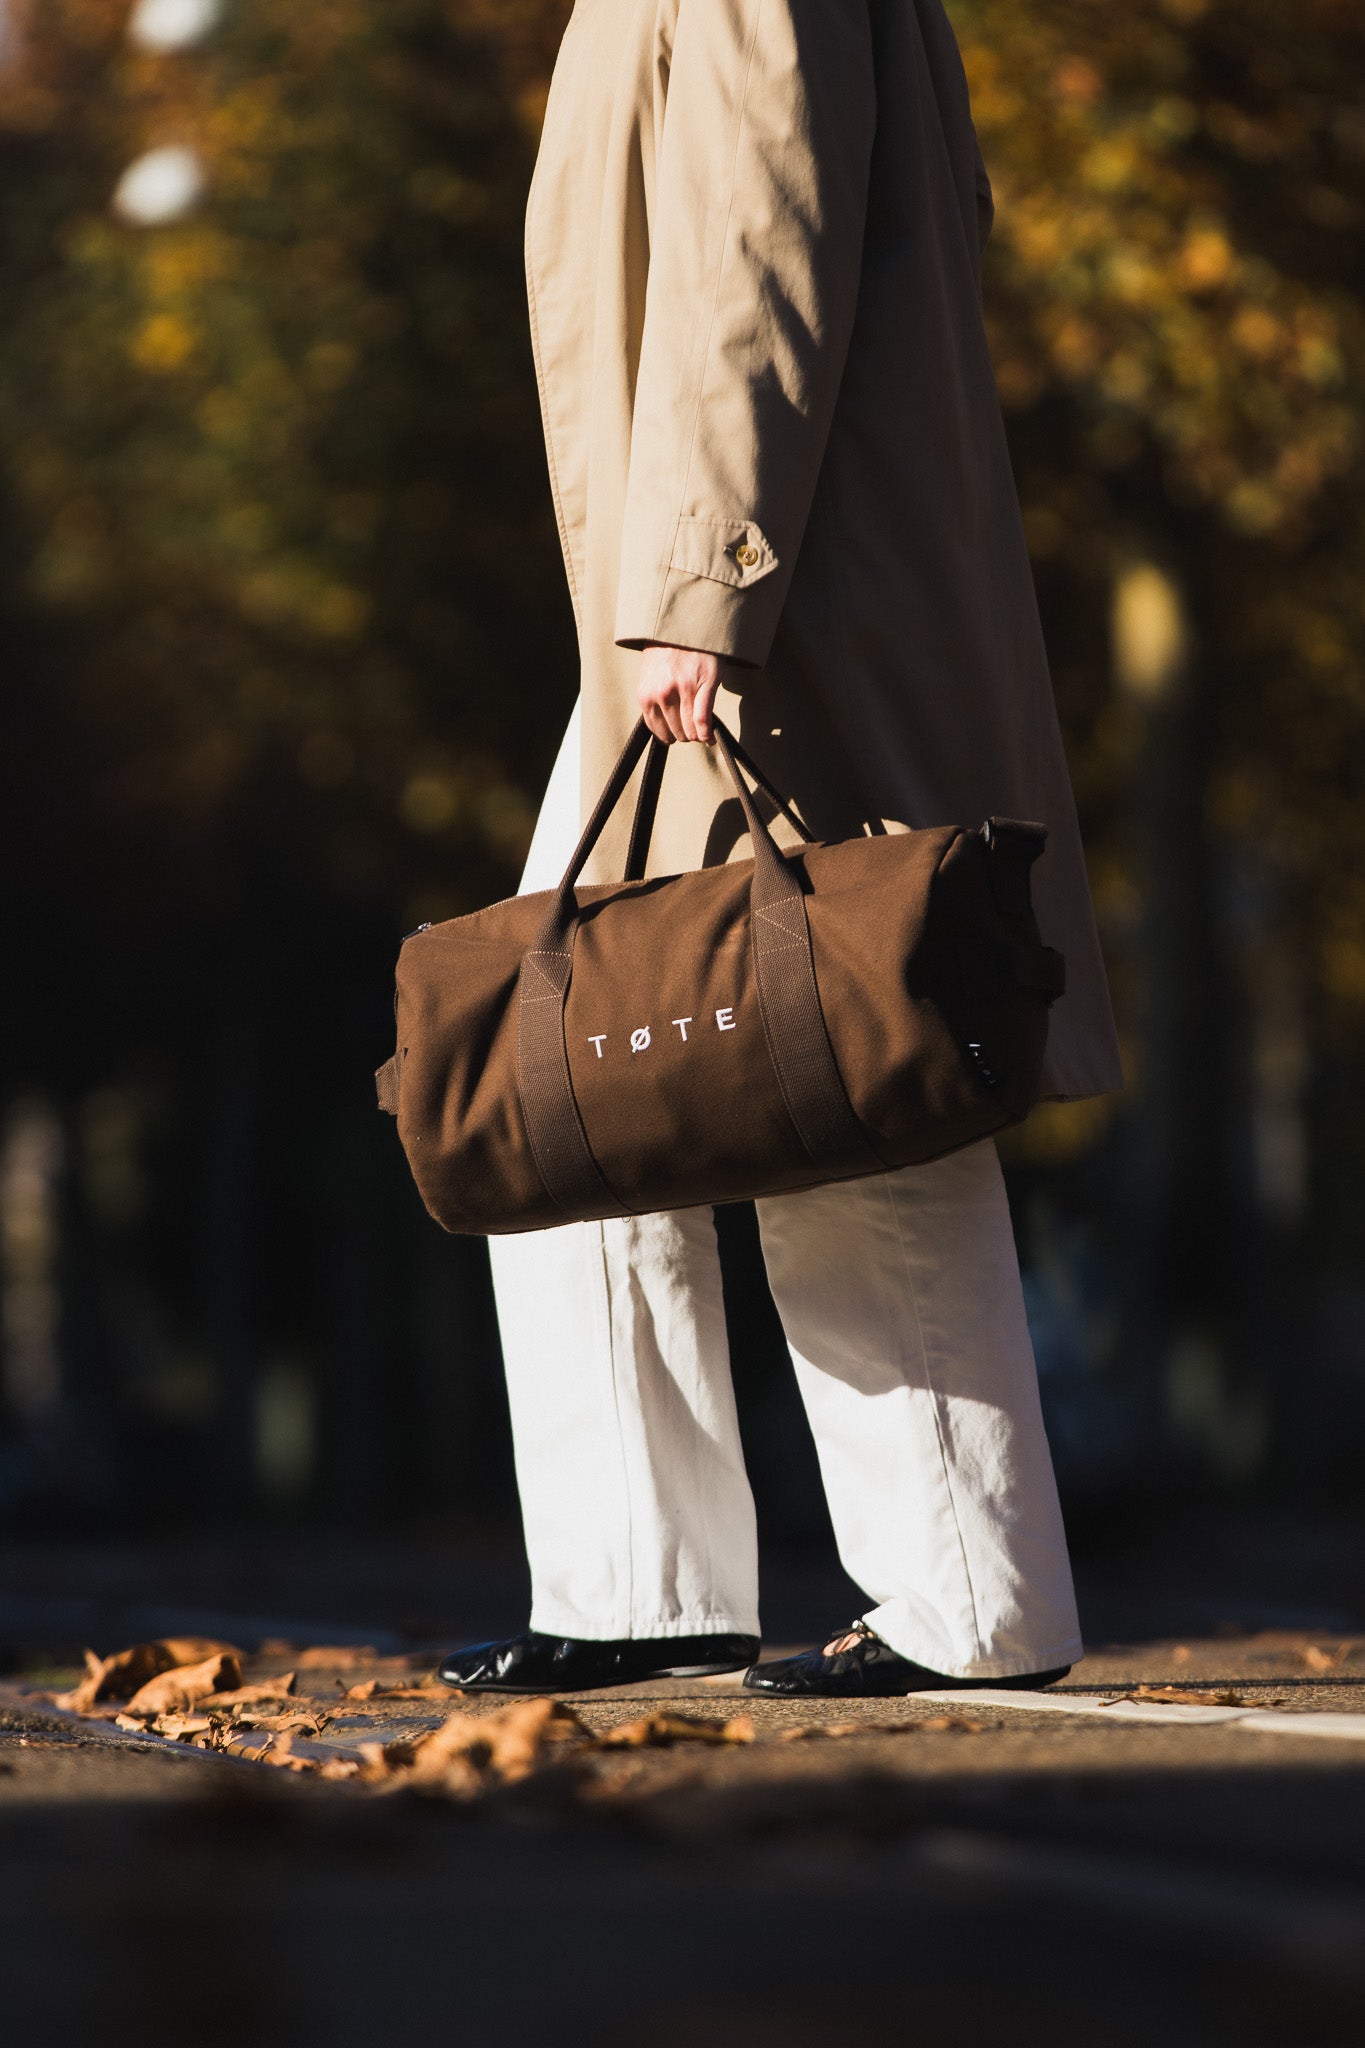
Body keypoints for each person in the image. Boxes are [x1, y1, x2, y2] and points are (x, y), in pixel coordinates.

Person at [439, 0, 1123, 1700]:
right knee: (571, 1069)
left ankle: (966, 1601)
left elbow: (761, 244)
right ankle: (640, 1580)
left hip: (767, 610)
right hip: (741, 600)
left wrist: (698, 587)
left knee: (859, 1073)